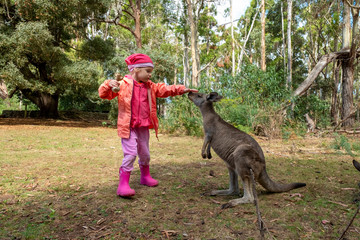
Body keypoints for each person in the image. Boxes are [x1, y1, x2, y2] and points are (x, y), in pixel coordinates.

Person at [98, 53, 198, 197]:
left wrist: (182, 89)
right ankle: (123, 184)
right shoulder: (123, 85)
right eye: (148, 71)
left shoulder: (150, 87)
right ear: (136, 70)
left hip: (143, 126)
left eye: (151, 72)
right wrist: (108, 84)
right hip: (128, 127)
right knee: (131, 153)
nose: (150, 75)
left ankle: (145, 177)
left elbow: (165, 89)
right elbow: (103, 94)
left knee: (145, 154)